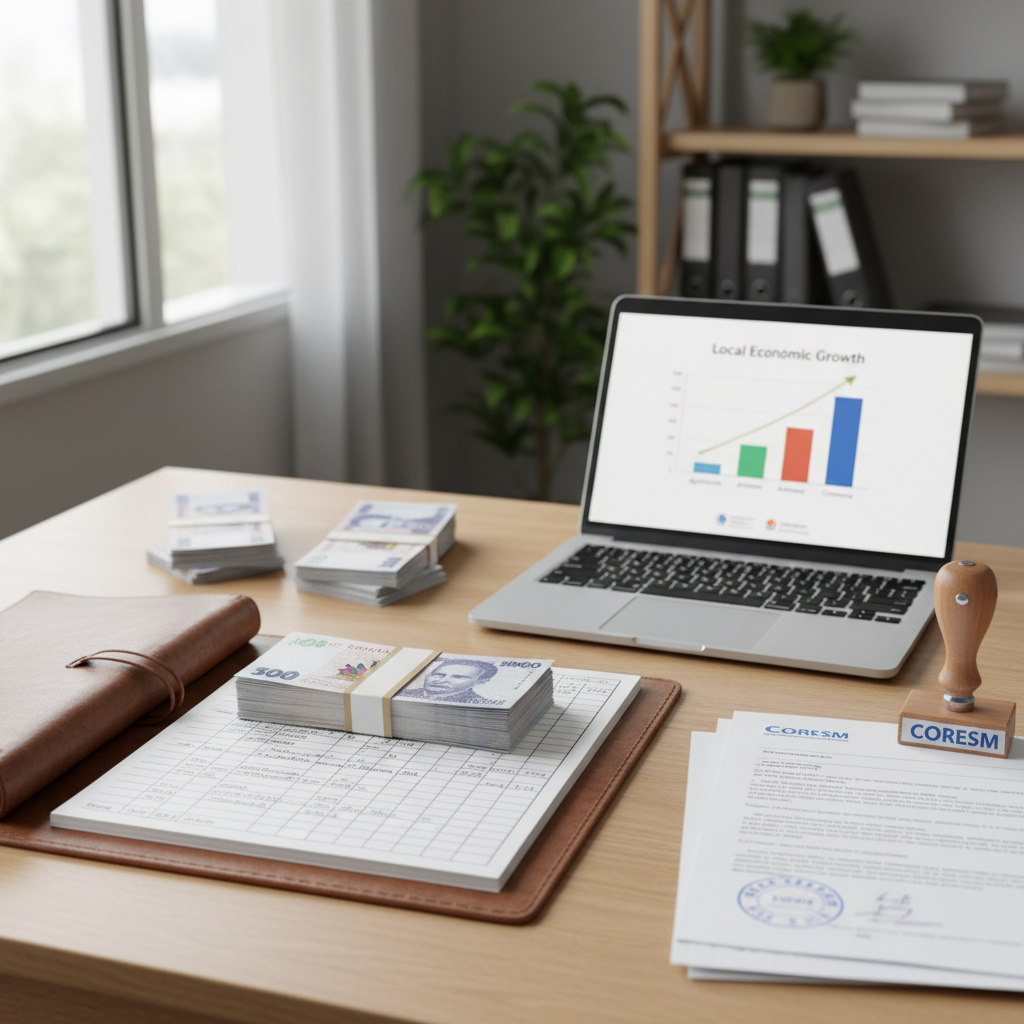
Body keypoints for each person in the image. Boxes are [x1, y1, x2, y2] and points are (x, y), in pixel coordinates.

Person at [403, 658, 504, 704]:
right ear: (428, 675)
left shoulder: (481, 704)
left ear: (481, 681)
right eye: (438, 675)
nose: (442, 681)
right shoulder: (404, 694)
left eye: (458, 677)